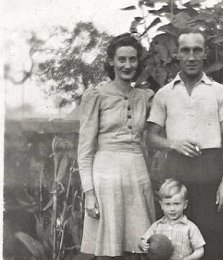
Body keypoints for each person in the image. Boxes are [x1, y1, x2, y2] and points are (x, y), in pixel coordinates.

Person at [146, 28, 223, 260]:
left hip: (211, 170)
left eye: (197, 50)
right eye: (185, 51)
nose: (191, 57)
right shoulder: (164, 94)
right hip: (177, 172)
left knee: (213, 238)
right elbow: (151, 136)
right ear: (177, 54)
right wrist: (173, 144)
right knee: (176, 240)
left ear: (205, 53)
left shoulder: (220, 92)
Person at [78, 33, 155, 260]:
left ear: (138, 62)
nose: (127, 65)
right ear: (111, 61)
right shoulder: (97, 95)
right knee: (108, 249)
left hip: (137, 174)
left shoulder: (144, 97)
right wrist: (89, 194)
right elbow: (84, 151)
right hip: (106, 177)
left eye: (132, 59)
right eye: (121, 59)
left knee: (140, 247)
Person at [140, 179, 205, 260]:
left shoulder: (190, 227)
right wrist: (143, 245)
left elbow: (200, 250)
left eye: (176, 204)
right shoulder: (156, 226)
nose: (172, 209)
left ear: (185, 205)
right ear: (161, 205)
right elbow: (143, 240)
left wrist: (189, 259)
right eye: (167, 204)